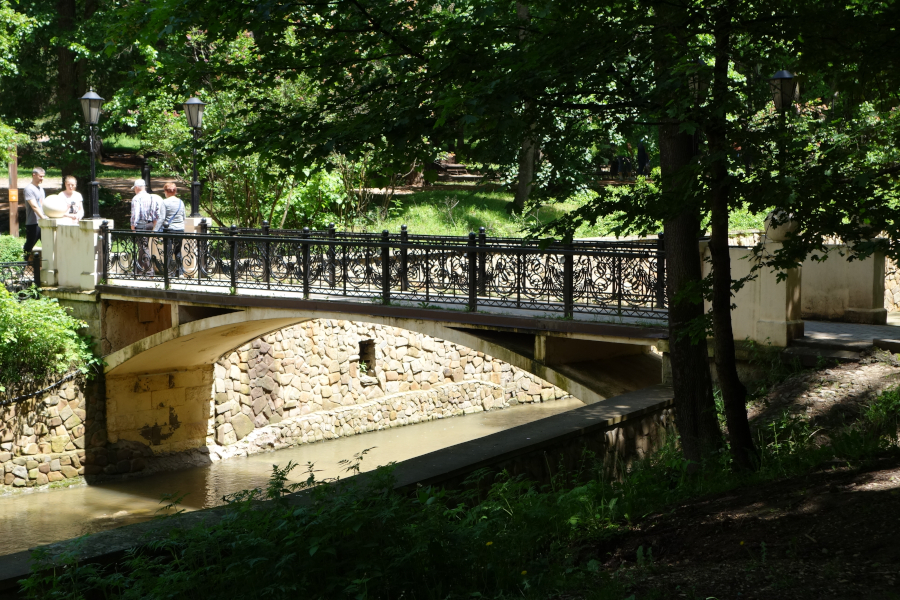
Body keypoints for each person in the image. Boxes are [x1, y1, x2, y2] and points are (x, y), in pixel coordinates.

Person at [130, 178, 160, 276]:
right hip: (150, 224)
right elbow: (156, 213)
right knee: (142, 247)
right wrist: (154, 225)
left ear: (137, 187)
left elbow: (135, 214)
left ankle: (150, 271)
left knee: (143, 247)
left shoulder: (136, 198)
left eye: (134, 188)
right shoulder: (152, 197)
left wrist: (133, 226)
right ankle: (137, 271)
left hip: (140, 225)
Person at [160, 182, 186, 276]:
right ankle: (180, 272)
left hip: (169, 230)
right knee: (178, 251)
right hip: (180, 229)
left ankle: (169, 273)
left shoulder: (165, 202)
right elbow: (184, 217)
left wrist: (155, 230)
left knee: (168, 252)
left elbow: (162, 218)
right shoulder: (181, 202)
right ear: (175, 191)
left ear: (166, 191)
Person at [23, 167, 47, 257]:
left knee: (48, 244)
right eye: (40, 176)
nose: (42, 178)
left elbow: (43, 205)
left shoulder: (41, 189)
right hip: (33, 223)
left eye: (43, 176)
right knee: (29, 246)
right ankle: (22, 263)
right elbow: (34, 206)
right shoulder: (29, 189)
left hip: (42, 222)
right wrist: (43, 218)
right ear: (34, 175)